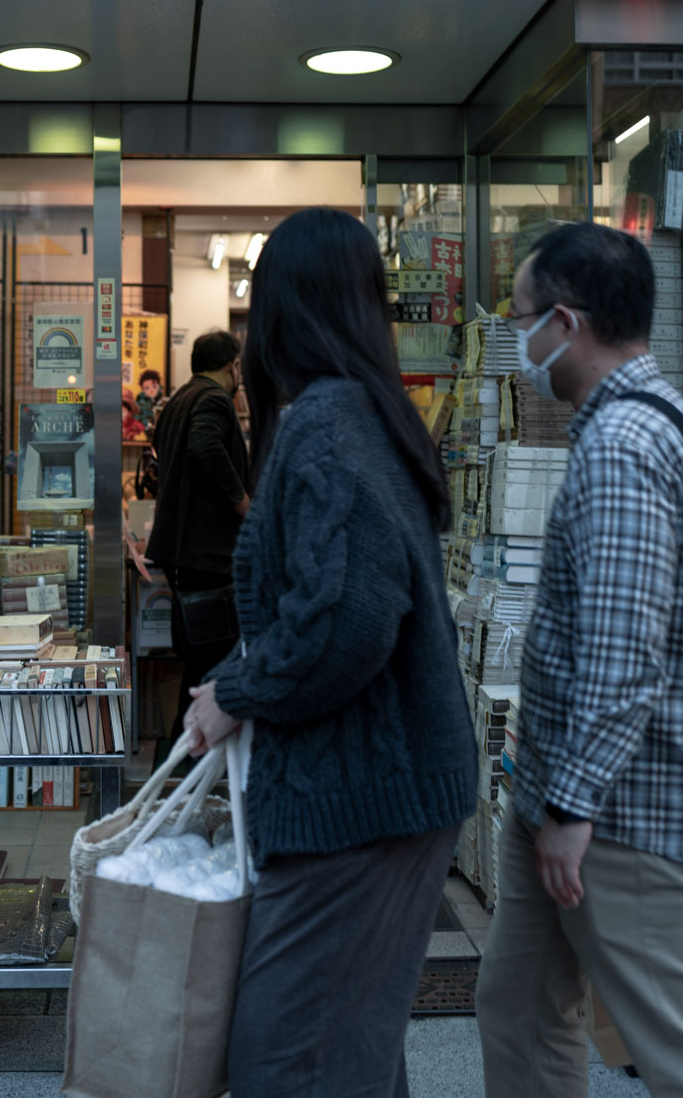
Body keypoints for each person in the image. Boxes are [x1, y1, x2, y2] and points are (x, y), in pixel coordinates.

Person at [475, 224, 683, 1098]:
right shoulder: (658, 419)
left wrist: (571, 803)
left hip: (620, 811)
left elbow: (621, 651)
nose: (519, 338)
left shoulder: (619, 450)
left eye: (523, 317)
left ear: (566, 322)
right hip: (568, 796)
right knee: (520, 1007)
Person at [184, 209, 476, 1097]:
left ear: (280, 311)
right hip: (380, 794)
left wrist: (234, 691)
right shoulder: (368, 414)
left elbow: (345, 618)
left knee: (285, 1059)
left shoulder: (327, 425)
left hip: (357, 804)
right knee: (347, 1050)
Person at [145, 330, 248, 748]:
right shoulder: (214, 399)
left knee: (199, 664)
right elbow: (205, 446)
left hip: (182, 555)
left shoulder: (178, 401)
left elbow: (163, 449)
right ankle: (182, 762)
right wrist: (243, 503)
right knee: (211, 667)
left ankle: (180, 765)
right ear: (232, 366)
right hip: (207, 555)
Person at [135, 367, 165, 433]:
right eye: (147, 388)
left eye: (154, 387)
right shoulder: (139, 404)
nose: (151, 391)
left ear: (159, 386)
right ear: (143, 390)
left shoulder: (165, 400)